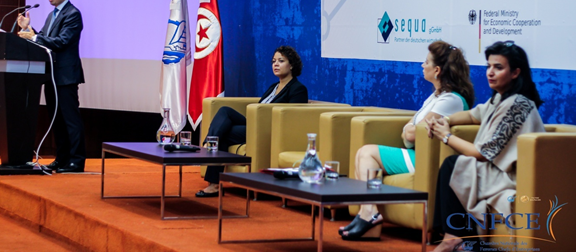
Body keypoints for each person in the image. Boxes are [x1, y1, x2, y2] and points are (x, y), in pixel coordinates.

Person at [340, 41, 475, 241]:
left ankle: (369, 215)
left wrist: (410, 131)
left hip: (428, 160)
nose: (422, 65)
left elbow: (412, 134)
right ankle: (367, 213)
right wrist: (409, 131)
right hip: (417, 153)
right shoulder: (436, 96)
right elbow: (409, 131)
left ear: (437, 70)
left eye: (426, 62)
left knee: (367, 152)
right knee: (362, 153)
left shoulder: (451, 100)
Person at [428, 41, 544, 252]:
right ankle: (454, 237)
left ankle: (453, 238)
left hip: (510, 177)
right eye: (489, 66)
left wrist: (445, 136)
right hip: (494, 172)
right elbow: (473, 115)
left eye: (498, 67)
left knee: (453, 165)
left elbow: (480, 154)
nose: (490, 72)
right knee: (454, 166)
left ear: (515, 72)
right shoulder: (500, 98)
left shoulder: (518, 105)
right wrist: (446, 120)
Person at [196, 45, 308, 197]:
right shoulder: (274, 86)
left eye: (281, 61)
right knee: (225, 110)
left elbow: (293, 117)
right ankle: (211, 143)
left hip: (268, 129)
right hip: (254, 124)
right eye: (273, 61)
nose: (276, 64)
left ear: (292, 65)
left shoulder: (298, 89)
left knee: (224, 133)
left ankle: (212, 174)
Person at [17, 0, 86, 173]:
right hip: (52, 76)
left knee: (70, 120)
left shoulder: (73, 14)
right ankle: (61, 159)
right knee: (57, 121)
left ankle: (76, 161)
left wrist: (34, 36)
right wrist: (27, 28)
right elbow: (44, 39)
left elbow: (62, 42)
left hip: (65, 76)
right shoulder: (52, 15)